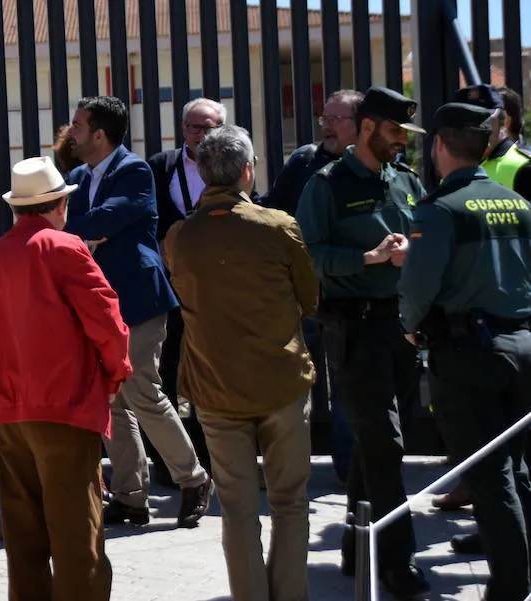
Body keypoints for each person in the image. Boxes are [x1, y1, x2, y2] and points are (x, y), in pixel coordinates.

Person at [0, 155, 131, 601]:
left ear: (18, 208)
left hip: (9, 416)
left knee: (24, 542)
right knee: (78, 542)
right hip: (65, 409)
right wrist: (115, 375)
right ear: (59, 204)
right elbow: (108, 323)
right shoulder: (65, 247)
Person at [163, 124, 317, 601]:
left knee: (237, 508)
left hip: (215, 384)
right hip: (280, 380)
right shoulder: (277, 226)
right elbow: (309, 298)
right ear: (248, 171)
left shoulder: (179, 237)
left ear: (203, 172)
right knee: (290, 503)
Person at [296, 85, 430, 598]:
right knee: (386, 444)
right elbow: (308, 257)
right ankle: (398, 563)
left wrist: (409, 250)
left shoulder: (405, 179)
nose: (402, 142)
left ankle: (358, 545)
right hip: (353, 326)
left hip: (401, 323)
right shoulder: (326, 185)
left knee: (379, 442)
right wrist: (370, 258)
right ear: (368, 127)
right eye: (395, 131)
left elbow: (420, 236)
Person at [399, 101, 531, 601]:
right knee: (517, 471)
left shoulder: (439, 210)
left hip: (469, 355)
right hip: (522, 345)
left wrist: (410, 327)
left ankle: (510, 589)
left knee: (491, 478)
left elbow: (417, 288)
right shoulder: (518, 203)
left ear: (438, 146)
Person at [64, 96, 212, 528]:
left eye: (77, 125)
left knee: (143, 389)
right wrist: (89, 231)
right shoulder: (76, 176)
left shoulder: (135, 171)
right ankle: (130, 496)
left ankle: (193, 478)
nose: (70, 132)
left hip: (139, 301)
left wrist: (89, 230)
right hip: (97, 303)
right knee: (111, 399)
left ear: (99, 134)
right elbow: (75, 226)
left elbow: (97, 222)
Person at [261, 88, 364, 483]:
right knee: (292, 382)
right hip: (299, 293)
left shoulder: (370, 168)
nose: (327, 124)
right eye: (325, 116)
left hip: (347, 293)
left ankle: (350, 468)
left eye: (337, 119)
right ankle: (289, 466)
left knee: (346, 384)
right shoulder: (303, 160)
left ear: (360, 125)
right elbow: (272, 208)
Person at [147, 97, 226, 486]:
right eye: (193, 127)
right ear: (182, 130)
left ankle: (214, 458)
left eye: (208, 126)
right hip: (173, 290)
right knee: (168, 372)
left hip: (217, 293)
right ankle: (170, 464)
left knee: (213, 375)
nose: (200, 134)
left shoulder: (230, 167)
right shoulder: (160, 167)